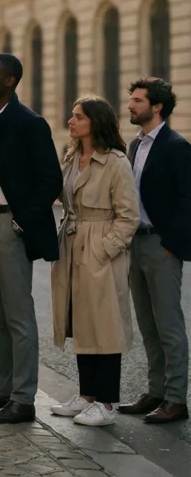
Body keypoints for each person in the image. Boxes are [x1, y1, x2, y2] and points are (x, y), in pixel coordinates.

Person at [0, 54, 62, 425]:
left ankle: (23, 399)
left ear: (9, 80)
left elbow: (51, 180)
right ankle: (1, 389)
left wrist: (21, 222)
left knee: (18, 316)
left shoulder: (30, 123)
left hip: (9, 225)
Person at [48, 97, 139, 427]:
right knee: (80, 321)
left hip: (99, 247)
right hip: (72, 244)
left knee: (105, 325)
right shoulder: (73, 157)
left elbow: (129, 216)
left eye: (79, 117)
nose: (71, 121)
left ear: (95, 122)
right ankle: (86, 395)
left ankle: (106, 402)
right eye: (72, 116)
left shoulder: (116, 162)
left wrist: (104, 249)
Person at [119, 78, 190, 424]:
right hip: (135, 243)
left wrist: (170, 245)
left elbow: (188, 200)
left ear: (157, 106)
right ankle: (156, 391)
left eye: (137, 100)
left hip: (160, 245)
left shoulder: (176, 146)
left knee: (168, 326)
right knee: (148, 325)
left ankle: (176, 399)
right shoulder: (135, 145)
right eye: (131, 99)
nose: (130, 106)